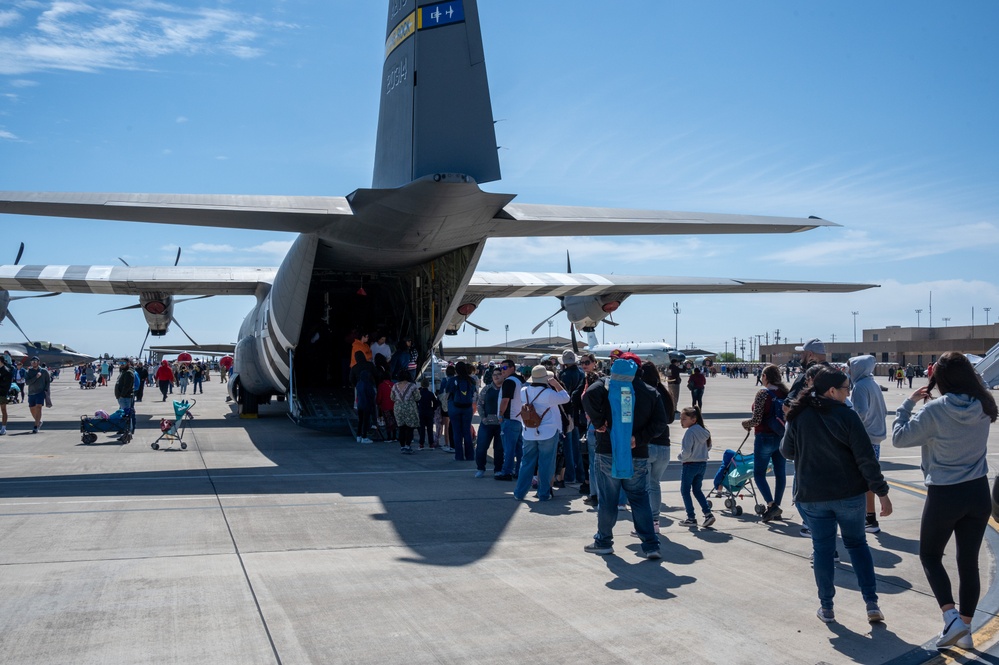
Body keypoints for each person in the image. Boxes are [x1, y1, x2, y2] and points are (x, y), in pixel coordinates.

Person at [892, 351, 995, 650]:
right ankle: (965, 628)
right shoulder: (983, 404)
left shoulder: (935, 410)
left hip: (945, 493)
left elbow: (899, 438)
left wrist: (908, 403)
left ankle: (950, 618)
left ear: (940, 378)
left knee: (930, 556)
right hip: (977, 491)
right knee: (968, 563)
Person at [780, 367, 892, 625]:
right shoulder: (847, 416)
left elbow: (787, 451)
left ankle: (827, 607)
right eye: (845, 389)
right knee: (857, 545)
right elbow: (866, 459)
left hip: (812, 495)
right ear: (832, 391)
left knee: (822, 549)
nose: (848, 393)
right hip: (848, 494)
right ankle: (871, 603)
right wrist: (882, 492)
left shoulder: (799, 415)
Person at [581, 357, 668, 559]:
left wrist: (598, 421)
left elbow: (587, 396)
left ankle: (603, 541)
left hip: (607, 450)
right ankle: (651, 545)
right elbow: (660, 423)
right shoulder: (650, 392)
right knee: (639, 499)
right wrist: (639, 438)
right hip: (636, 453)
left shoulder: (605, 386)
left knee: (608, 501)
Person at [740, 364, 789, 523]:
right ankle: (777, 507)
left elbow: (756, 419)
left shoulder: (763, 393)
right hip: (781, 436)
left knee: (759, 474)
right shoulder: (784, 393)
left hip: (764, 437)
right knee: (780, 474)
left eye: (762, 376)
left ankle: (771, 504)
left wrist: (745, 424)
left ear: (766, 377)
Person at [513, 366, 569, 501]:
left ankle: (519, 493)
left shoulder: (524, 391)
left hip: (529, 431)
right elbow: (566, 397)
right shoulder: (548, 393)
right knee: (546, 464)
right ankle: (544, 493)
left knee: (526, 462)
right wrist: (556, 384)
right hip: (548, 432)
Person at [849, 355, 889, 534]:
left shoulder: (859, 387)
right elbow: (885, 410)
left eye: (851, 368)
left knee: (862, 479)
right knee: (869, 477)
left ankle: (869, 518)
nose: (849, 372)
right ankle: (869, 517)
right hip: (876, 438)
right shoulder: (873, 384)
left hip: (865, 438)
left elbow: (860, 413)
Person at [640, 361, 675, 533]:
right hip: (664, 445)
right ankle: (655, 523)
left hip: (648, 444)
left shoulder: (645, 393)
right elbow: (670, 419)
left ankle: (647, 524)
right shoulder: (664, 392)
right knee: (655, 484)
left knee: (644, 487)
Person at [677, 406, 715, 528]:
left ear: (693, 420)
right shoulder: (704, 431)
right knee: (697, 490)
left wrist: (680, 457)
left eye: (684, 419)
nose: (681, 421)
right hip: (702, 464)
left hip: (690, 464)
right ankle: (708, 513)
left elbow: (686, 452)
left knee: (685, 490)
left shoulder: (690, 432)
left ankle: (691, 517)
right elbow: (708, 447)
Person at [557, 350, 585, 484]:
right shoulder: (581, 373)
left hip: (567, 414)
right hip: (578, 412)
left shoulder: (564, 375)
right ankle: (580, 475)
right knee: (576, 446)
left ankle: (569, 475)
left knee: (567, 446)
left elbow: (564, 396)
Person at [495, 359, 524, 481]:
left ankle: (507, 472)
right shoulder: (520, 380)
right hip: (518, 418)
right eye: (501, 368)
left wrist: (501, 415)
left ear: (512, 368)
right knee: (518, 449)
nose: (502, 371)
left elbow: (505, 400)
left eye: (505, 368)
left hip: (509, 418)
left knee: (509, 449)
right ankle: (519, 471)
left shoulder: (509, 382)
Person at [474, 367, 504, 477]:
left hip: (501, 424)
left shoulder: (506, 389)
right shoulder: (487, 389)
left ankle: (498, 469)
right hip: (487, 424)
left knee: (499, 449)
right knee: (481, 447)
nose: (496, 376)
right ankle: (480, 468)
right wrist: (483, 418)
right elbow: (480, 405)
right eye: (494, 374)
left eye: (499, 374)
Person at [390, 371, 420, 454]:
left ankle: (402, 446)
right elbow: (417, 397)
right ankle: (408, 446)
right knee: (410, 428)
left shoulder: (395, 386)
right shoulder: (412, 386)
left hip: (398, 408)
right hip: (409, 408)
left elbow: (392, 398)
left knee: (401, 428)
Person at [24, 356, 51, 434]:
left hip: (40, 392)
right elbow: (28, 382)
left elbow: (47, 381)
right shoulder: (28, 372)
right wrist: (36, 377)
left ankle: (35, 426)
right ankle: (38, 421)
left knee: (39, 407)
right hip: (31, 392)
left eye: (35, 361)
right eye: (32, 361)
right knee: (32, 409)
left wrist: (46, 390)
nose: (34, 362)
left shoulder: (44, 371)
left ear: (38, 362)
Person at [114, 359, 136, 438]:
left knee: (127, 416)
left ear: (128, 363)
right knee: (125, 415)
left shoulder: (128, 373)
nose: (121, 364)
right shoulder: (123, 372)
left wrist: (122, 395)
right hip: (122, 397)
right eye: (120, 363)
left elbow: (127, 386)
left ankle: (128, 432)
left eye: (123, 363)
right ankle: (126, 431)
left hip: (125, 397)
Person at [416, 378, 439, 450]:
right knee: (430, 429)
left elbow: (416, 402)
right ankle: (431, 444)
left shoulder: (419, 393)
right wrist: (433, 409)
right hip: (429, 412)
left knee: (422, 429)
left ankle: (421, 444)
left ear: (421, 385)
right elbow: (435, 403)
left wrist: (418, 409)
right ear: (428, 385)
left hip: (421, 412)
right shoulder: (430, 394)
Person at [355, 369, 376, 444]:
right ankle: (364, 437)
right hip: (367, 404)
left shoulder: (358, 384)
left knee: (360, 421)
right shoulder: (368, 384)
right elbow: (372, 394)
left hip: (360, 404)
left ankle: (358, 436)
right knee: (366, 421)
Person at [0, 352, 14, 435]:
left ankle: (3, 428)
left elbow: (7, 383)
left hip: (2, 393)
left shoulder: (6, 370)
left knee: (3, 410)